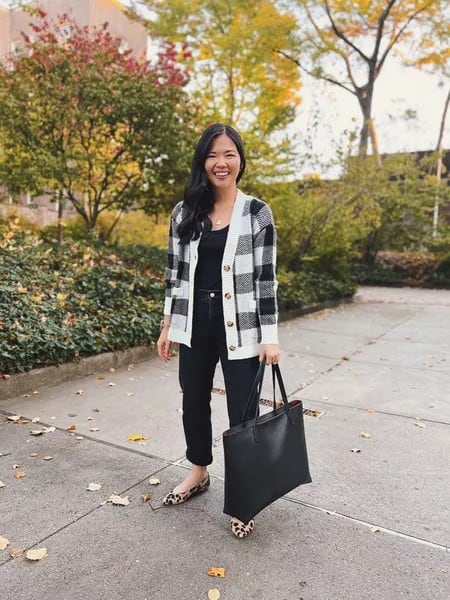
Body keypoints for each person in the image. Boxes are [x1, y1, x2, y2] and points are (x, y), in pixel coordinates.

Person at [157, 123, 279, 538]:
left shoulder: (256, 212)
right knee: (194, 399)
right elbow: (174, 274)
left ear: (240, 159)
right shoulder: (184, 212)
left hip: (242, 326)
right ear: (202, 161)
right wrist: (168, 324)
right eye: (212, 155)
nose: (221, 162)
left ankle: (244, 495)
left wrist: (271, 335)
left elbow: (266, 279)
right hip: (195, 323)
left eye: (228, 154)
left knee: (243, 413)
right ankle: (198, 471)